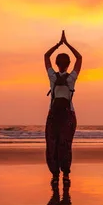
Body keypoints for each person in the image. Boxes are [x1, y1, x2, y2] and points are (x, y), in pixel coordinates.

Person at [44, 30, 82, 187]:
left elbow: (46, 57)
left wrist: (58, 45)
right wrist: (67, 44)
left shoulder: (52, 76)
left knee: (52, 144)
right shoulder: (72, 77)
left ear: (58, 63)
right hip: (67, 115)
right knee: (65, 144)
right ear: (67, 64)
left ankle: (56, 175)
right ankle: (65, 174)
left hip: (55, 116)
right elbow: (79, 58)